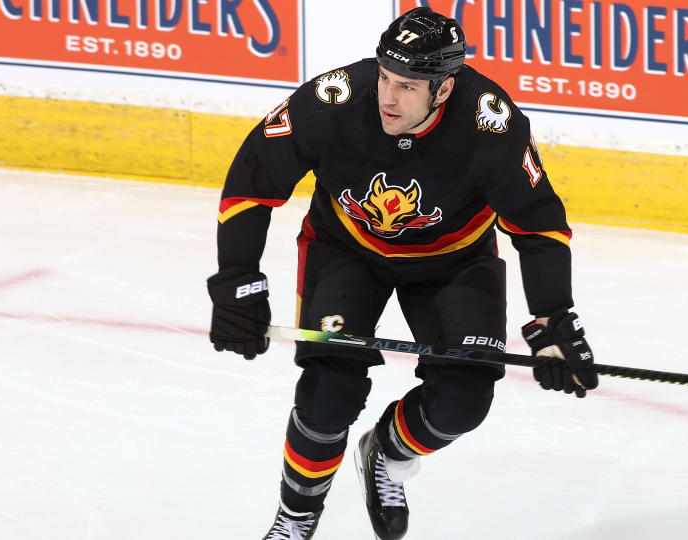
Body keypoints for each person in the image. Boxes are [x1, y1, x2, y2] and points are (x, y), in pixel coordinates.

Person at [206, 7, 598, 539]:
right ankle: (296, 517)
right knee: (328, 394)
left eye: (407, 86)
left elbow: (539, 226)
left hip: (455, 259)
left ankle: (384, 453)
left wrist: (553, 317)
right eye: (385, 78)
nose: (388, 98)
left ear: (443, 88)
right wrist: (237, 281)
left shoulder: (491, 124)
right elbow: (252, 182)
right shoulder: (336, 99)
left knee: (462, 401)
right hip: (348, 249)